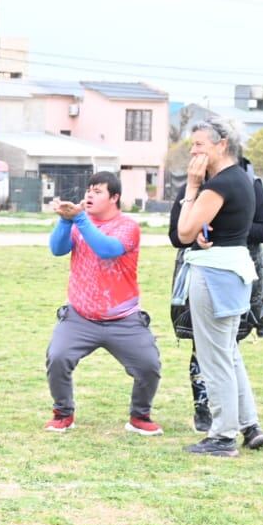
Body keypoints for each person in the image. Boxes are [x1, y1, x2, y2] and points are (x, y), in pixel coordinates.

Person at [42, 171, 162, 436]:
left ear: (114, 197)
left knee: (148, 366)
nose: (89, 196)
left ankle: (140, 416)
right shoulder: (79, 223)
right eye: (88, 191)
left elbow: (107, 249)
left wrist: (80, 219)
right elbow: (57, 249)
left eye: (97, 192)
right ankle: (63, 413)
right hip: (80, 316)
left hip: (124, 318)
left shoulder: (127, 226)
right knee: (58, 357)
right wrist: (65, 221)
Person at [169, 118, 260, 458]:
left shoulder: (217, 185)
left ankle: (222, 436)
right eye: (192, 146)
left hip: (214, 275)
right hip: (234, 271)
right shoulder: (241, 179)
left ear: (222, 145)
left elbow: (184, 233)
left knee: (215, 358)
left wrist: (192, 188)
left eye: (199, 145)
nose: (193, 152)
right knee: (229, 354)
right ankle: (250, 424)